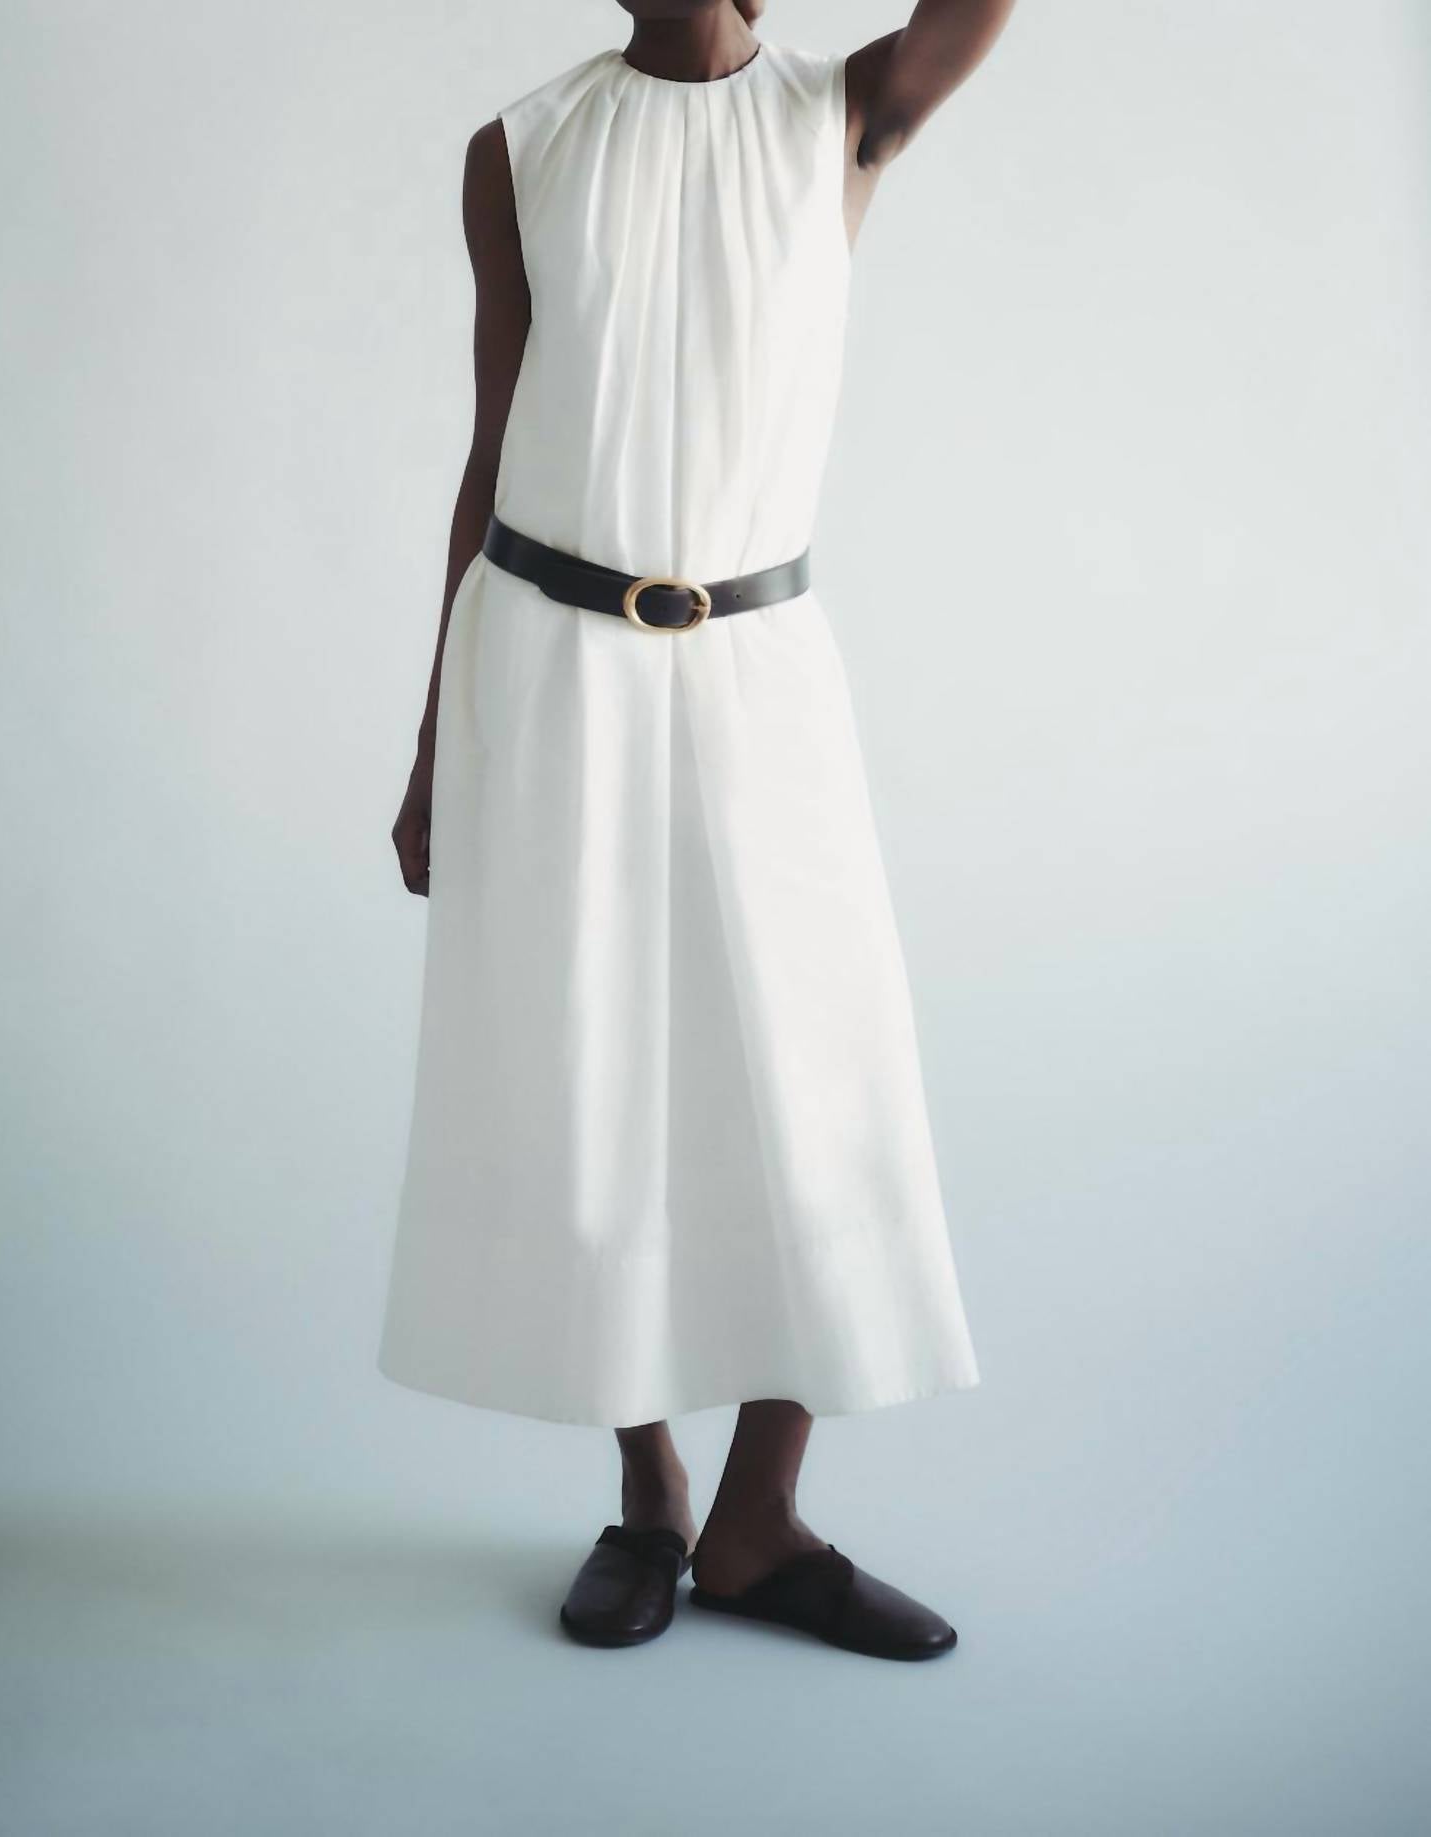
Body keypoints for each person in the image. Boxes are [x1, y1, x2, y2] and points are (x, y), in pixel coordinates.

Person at [382, 0, 1016, 1659]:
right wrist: (435, 736)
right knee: (598, 1078)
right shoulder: (521, 150)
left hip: (758, 661)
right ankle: (655, 1493)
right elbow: (490, 450)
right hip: (548, 657)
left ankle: (760, 1517)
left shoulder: (847, 112)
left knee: (816, 1081)